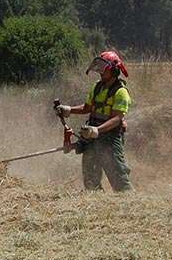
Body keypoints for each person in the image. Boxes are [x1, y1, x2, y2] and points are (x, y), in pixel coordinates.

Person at [55, 51, 132, 191]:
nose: (100, 72)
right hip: (91, 137)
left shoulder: (121, 92)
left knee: (120, 181)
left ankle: (130, 205)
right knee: (90, 180)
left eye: (103, 68)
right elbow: (87, 108)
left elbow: (117, 119)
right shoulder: (97, 87)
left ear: (113, 70)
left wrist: (97, 130)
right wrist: (68, 110)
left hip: (110, 139)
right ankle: (98, 203)